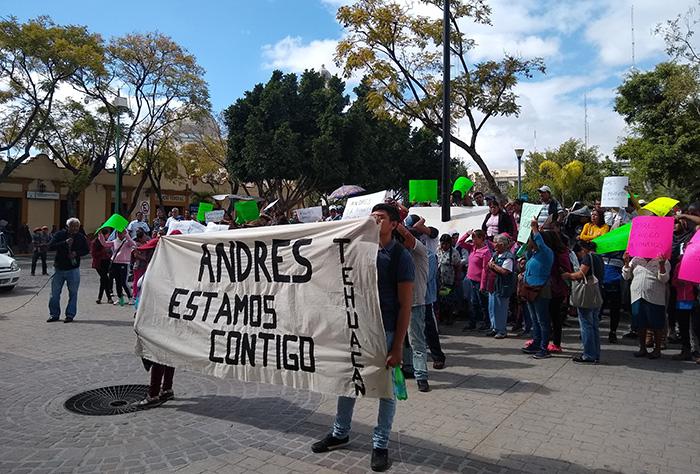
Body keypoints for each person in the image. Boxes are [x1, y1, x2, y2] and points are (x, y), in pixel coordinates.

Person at [311, 203, 414, 472]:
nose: (374, 221)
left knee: (386, 389)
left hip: (386, 330)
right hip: (357, 327)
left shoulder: (400, 257)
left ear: (393, 224)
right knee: (349, 381)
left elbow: (406, 305)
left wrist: (398, 346)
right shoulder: (357, 249)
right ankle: (340, 432)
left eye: (380, 218)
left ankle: (380, 444)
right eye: (371, 217)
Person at [395, 215, 430, 392]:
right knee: (402, 340)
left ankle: (421, 376)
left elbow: (409, 238)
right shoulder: (398, 255)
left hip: (415, 304)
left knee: (416, 341)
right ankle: (407, 367)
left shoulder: (420, 251)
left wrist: (396, 223)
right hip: (399, 304)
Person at [622, 252, 671, 359]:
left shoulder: (663, 260)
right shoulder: (635, 259)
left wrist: (661, 265)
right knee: (640, 323)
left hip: (655, 297)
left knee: (656, 324)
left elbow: (664, 279)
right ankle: (642, 348)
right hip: (637, 295)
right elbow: (626, 276)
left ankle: (657, 349)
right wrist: (626, 263)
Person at [563, 241, 604, 363]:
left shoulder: (588, 257)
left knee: (586, 325)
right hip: (597, 293)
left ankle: (589, 354)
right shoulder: (599, 257)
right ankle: (595, 353)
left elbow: (581, 274)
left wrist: (569, 275)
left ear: (583, 249)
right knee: (594, 325)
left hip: (587, 295)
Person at [521, 218, 554, 359]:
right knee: (534, 319)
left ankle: (544, 347)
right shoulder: (534, 254)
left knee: (542, 320)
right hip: (530, 288)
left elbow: (539, 242)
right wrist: (530, 236)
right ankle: (537, 341)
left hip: (541, 288)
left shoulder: (547, 253)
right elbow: (527, 251)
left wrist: (535, 228)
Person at [46, 218, 90, 323]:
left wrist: (76, 253)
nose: (75, 228)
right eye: (72, 226)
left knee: (73, 293)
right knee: (54, 294)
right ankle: (54, 314)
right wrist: (64, 243)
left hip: (73, 269)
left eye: (77, 226)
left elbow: (86, 250)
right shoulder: (59, 235)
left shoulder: (80, 237)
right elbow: (50, 247)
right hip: (59, 268)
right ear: (67, 226)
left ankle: (70, 315)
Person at [543, 231, 573, 353]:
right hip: (552, 287)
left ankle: (556, 343)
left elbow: (566, 272)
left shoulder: (560, 254)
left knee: (555, 316)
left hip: (557, 288)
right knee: (550, 315)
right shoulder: (555, 252)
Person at [458, 230, 491, 331]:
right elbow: (460, 243)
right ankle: (472, 323)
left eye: (475, 237)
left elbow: (485, 269)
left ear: (481, 238)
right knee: (472, 302)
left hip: (479, 281)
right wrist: (466, 234)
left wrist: (482, 284)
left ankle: (486, 323)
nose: (473, 240)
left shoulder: (485, 252)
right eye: (472, 238)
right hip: (470, 279)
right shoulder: (472, 248)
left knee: (482, 303)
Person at [486, 234, 516, 338]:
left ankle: (502, 330)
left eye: (496, 243)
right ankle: (494, 327)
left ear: (502, 244)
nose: (494, 245)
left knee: (501, 309)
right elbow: (488, 265)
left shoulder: (508, 257)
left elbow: (505, 271)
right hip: (493, 285)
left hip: (503, 286)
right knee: (492, 308)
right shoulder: (495, 254)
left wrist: (494, 265)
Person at [670, 253, 699, 361]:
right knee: (683, 326)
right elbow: (673, 282)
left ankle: (697, 352)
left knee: (696, 327)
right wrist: (679, 282)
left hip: (695, 299)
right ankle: (685, 350)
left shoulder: (697, 264)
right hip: (681, 300)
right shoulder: (679, 265)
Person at [99, 229, 137, 306]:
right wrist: (101, 235)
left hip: (124, 263)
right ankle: (120, 298)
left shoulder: (127, 242)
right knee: (117, 282)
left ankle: (130, 298)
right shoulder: (114, 241)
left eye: (121, 233)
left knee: (124, 282)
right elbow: (105, 244)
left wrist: (127, 235)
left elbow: (133, 244)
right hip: (115, 263)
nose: (119, 235)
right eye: (118, 233)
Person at [436, 234, 462, 325]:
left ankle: (449, 318)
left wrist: (457, 279)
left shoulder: (454, 253)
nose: (444, 246)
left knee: (448, 300)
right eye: (442, 244)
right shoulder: (438, 251)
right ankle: (442, 317)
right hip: (439, 280)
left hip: (448, 281)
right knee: (440, 300)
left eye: (446, 244)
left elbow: (458, 267)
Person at [600, 251, 625, 343]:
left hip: (615, 287)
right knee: (597, 310)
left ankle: (613, 332)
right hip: (601, 286)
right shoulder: (600, 253)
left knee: (615, 311)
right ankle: (591, 331)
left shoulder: (621, 254)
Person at [91, 228, 114, 304]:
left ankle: (100, 298)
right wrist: (102, 251)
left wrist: (109, 252)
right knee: (105, 279)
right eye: (108, 234)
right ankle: (108, 298)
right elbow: (94, 254)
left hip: (106, 262)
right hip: (99, 263)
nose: (109, 236)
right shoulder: (96, 242)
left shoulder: (106, 242)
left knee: (103, 280)